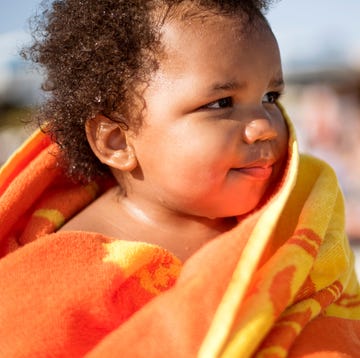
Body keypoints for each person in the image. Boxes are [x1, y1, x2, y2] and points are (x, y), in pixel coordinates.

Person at [0, 0, 359, 356]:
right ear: (117, 141)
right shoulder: (58, 280)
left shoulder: (294, 212)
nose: (265, 126)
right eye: (222, 103)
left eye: (270, 96)